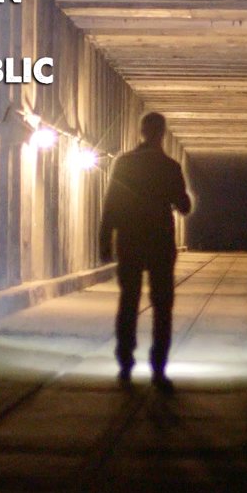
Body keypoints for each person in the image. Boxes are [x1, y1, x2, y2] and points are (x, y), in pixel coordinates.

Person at [99, 112, 192, 393]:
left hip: (129, 241)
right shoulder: (170, 166)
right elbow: (185, 206)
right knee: (162, 306)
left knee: (128, 301)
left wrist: (105, 241)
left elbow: (111, 204)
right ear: (162, 133)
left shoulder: (124, 163)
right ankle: (159, 369)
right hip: (160, 243)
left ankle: (125, 363)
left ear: (141, 132)